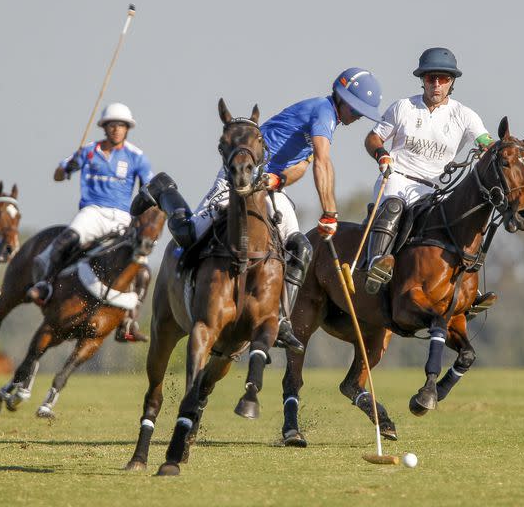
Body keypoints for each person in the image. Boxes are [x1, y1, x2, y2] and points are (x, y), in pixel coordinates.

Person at [130, 68, 384, 353]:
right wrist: (330, 212)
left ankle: (282, 319)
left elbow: (303, 162)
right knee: (189, 234)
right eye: (357, 108)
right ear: (342, 97)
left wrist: (280, 179)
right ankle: (164, 189)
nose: (360, 115)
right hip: (240, 178)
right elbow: (322, 163)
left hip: (268, 188)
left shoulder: (327, 122)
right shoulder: (323, 112)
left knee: (301, 247)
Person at [363, 47, 496, 295]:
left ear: (451, 82)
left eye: (443, 79)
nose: (436, 84)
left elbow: (485, 141)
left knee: (461, 220)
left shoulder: (464, 115)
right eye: (430, 78)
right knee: (393, 207)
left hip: (434, 189)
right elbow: (373, 138)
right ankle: (375, 263)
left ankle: (466, 285)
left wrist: (493, 148)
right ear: (422, 80)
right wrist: (381, 154)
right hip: (398, 179)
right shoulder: (403, 107)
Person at [27, 103, 153, 342]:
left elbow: (149, 189)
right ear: (104, 128)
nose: (116, 129)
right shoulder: (88, 151)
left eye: (121, 126)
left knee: (142, 269)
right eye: (112, 125)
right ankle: (46, 285)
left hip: (122, 217)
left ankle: (130, 322)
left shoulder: (137, 157)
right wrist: (69, 167)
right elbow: (58, 175)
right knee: (65, 240)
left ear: (127, 129)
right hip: (92, 212)